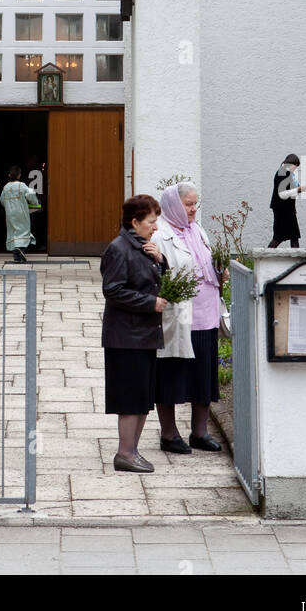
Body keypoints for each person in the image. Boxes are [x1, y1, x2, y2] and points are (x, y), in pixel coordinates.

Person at [154, 183, 224, 452]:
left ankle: (200, 432)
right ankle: (169, 435)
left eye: (196, 204)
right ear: (174, 205)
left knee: (203, 374)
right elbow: (158, 272)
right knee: (172, 372)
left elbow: (203, 265)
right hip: (180, 314)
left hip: (206, 313)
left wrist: (219, 273)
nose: (194, 209)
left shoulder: (198, 230)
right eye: (188, 204)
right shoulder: (160, 234)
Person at [100, 195, 168, 473]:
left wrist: (160, 260)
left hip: (143, 334)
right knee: (129, 397)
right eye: (151, 222)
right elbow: (113, 290)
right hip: (126, 337)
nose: (155, 227)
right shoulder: (119, 249)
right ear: (135, 222)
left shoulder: (143, 246)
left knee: (142, 396)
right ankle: (125, 454)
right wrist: (149, 303)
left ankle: (133, 451)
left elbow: (151, 278)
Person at [0, 165, 38, 263]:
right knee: (24, 231)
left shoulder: (5, 187)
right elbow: (31, 194)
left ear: (9, 175)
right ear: (19, 175)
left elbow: (2, 200)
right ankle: (21, 249)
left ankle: (17, 257)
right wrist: (35, 203)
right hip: (21, 212)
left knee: (13, 232)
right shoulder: (21, 185)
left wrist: (8, 207)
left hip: (10, 213)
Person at [267, 152, 306, 249]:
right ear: (290, 163)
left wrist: (294, 208)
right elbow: (282, 194)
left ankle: (297, 260)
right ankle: (264, 257)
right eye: (295, 166)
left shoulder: (287, 173)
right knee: (279, 237)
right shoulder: (283, 173)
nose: (295, 168)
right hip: (281, 210)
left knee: (294, 236)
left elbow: (289, 192)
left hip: (288, 210)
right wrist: (298, 189)